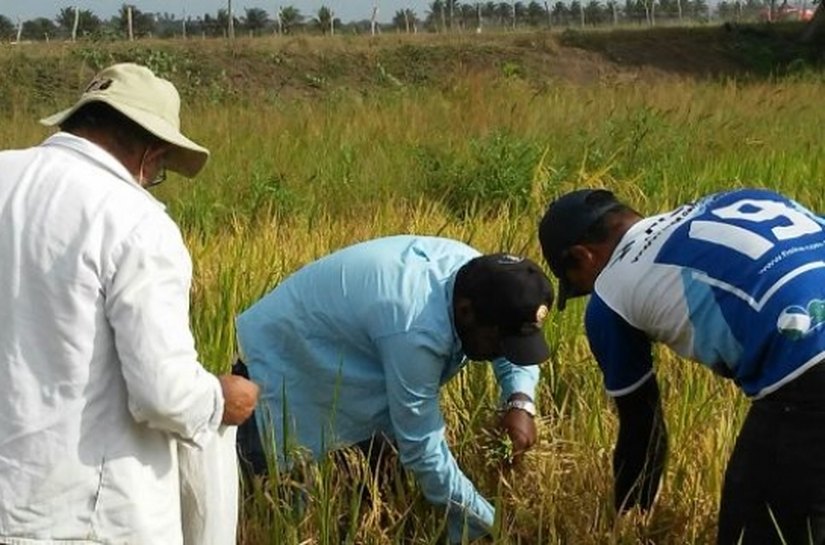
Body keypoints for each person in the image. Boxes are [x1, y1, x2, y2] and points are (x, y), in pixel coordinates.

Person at [0, 63, 259, 544]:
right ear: (150, 154)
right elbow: (164, 394)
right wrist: (221, 399)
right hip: (84, 519)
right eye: (159, 171)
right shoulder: (135, 220)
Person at [539, 187, 825, 545]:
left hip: (806, 363)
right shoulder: (736, 199)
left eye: (578, 286)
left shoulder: (609, 291)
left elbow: (643, 426)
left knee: (753, 530)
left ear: (582, 256)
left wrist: (627, 519)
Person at [234, 235, 554, 542]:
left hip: (352, 368)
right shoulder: (415, 328)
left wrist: (520, 401)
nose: (503, 353)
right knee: (282, 518)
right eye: (499, 343)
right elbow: (422, 449)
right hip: (278, 373)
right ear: (466, 313)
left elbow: (512, 339)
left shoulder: (481, 279)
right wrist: (492, 526)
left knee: (378, 497)